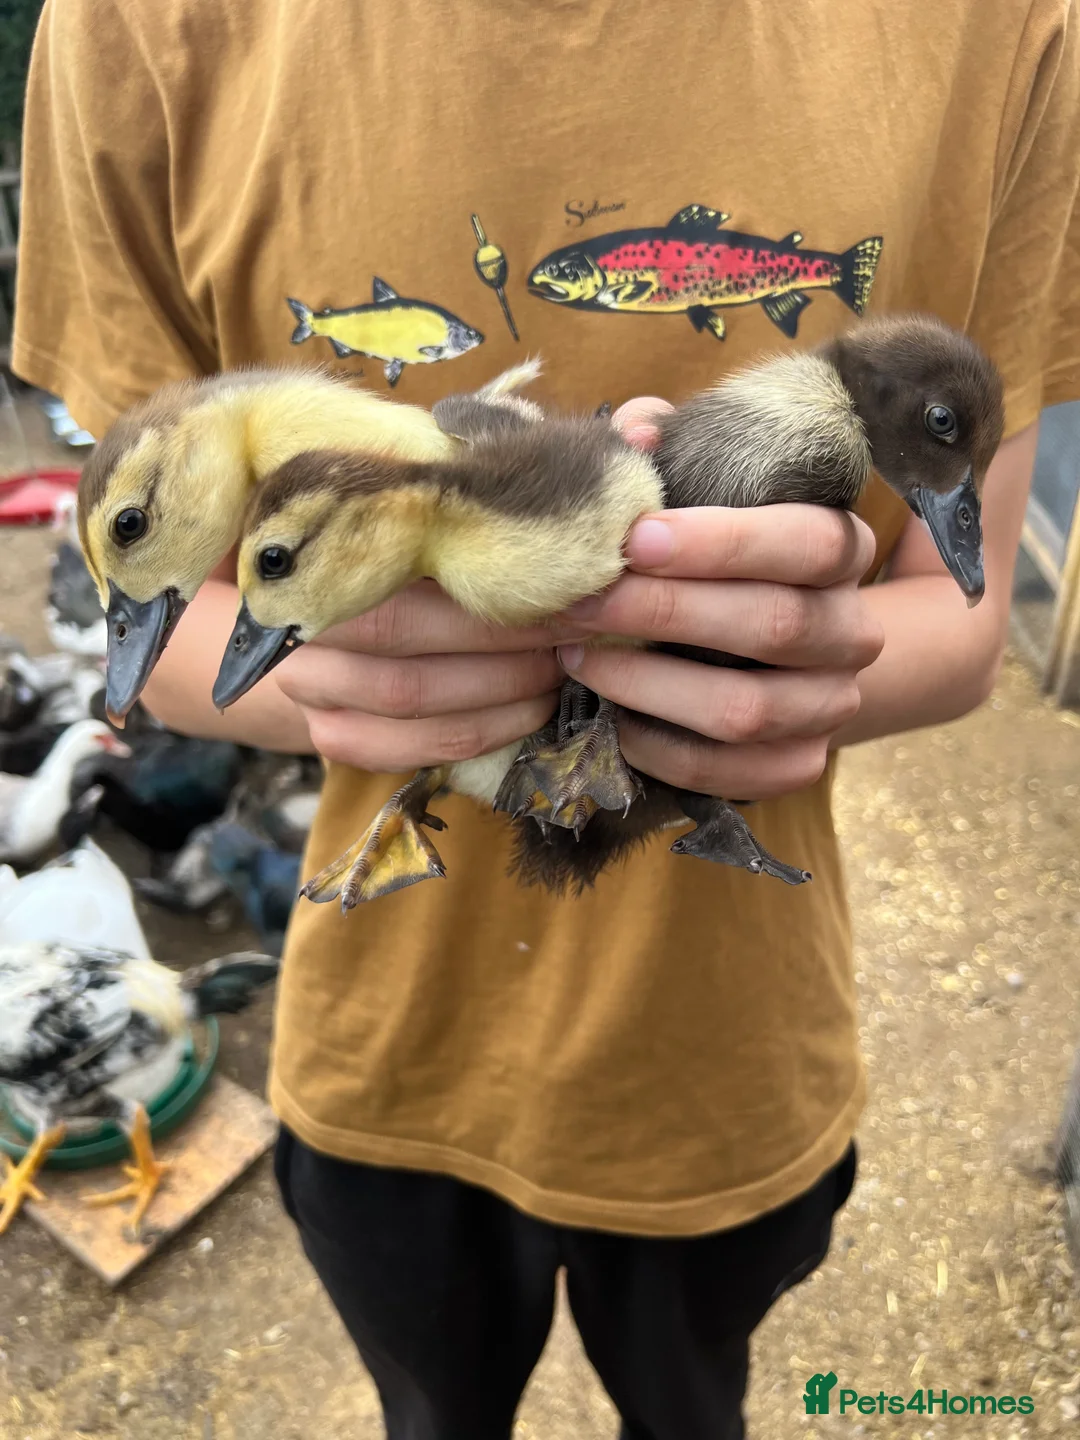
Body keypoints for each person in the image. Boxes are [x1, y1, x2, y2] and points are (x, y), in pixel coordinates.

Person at [13, 1, 1079, 1435]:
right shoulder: (148, 27)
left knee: (692, 1408)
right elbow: (167, 613)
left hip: (722, 1066)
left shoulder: (1005, 31)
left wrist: (783, 654)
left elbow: (960, 616)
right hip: (391, 1057)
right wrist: (341, 672)